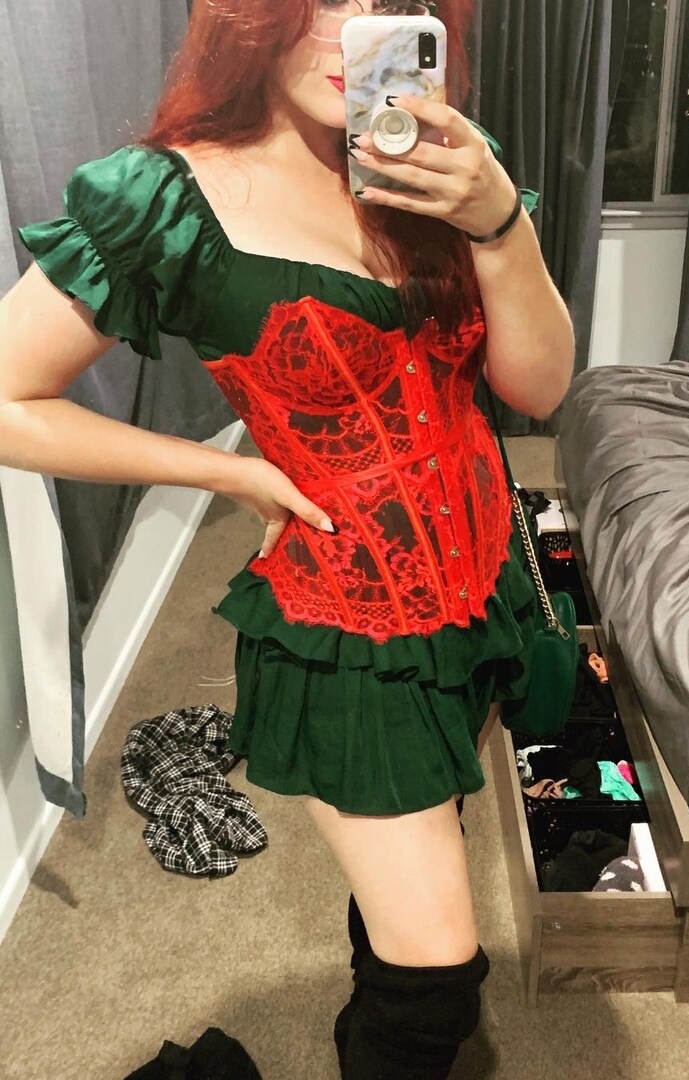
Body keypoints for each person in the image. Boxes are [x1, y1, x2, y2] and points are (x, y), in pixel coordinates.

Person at [0, 0, 574, 1075]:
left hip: (484, 577)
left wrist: (500, 222)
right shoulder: (167, 199)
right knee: (436, 983)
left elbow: (535, 388)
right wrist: (226, 470)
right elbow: (7, 399)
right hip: (350, 628)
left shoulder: (439, 157)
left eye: (390, 0)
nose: (355, 28)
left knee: (421, 860)